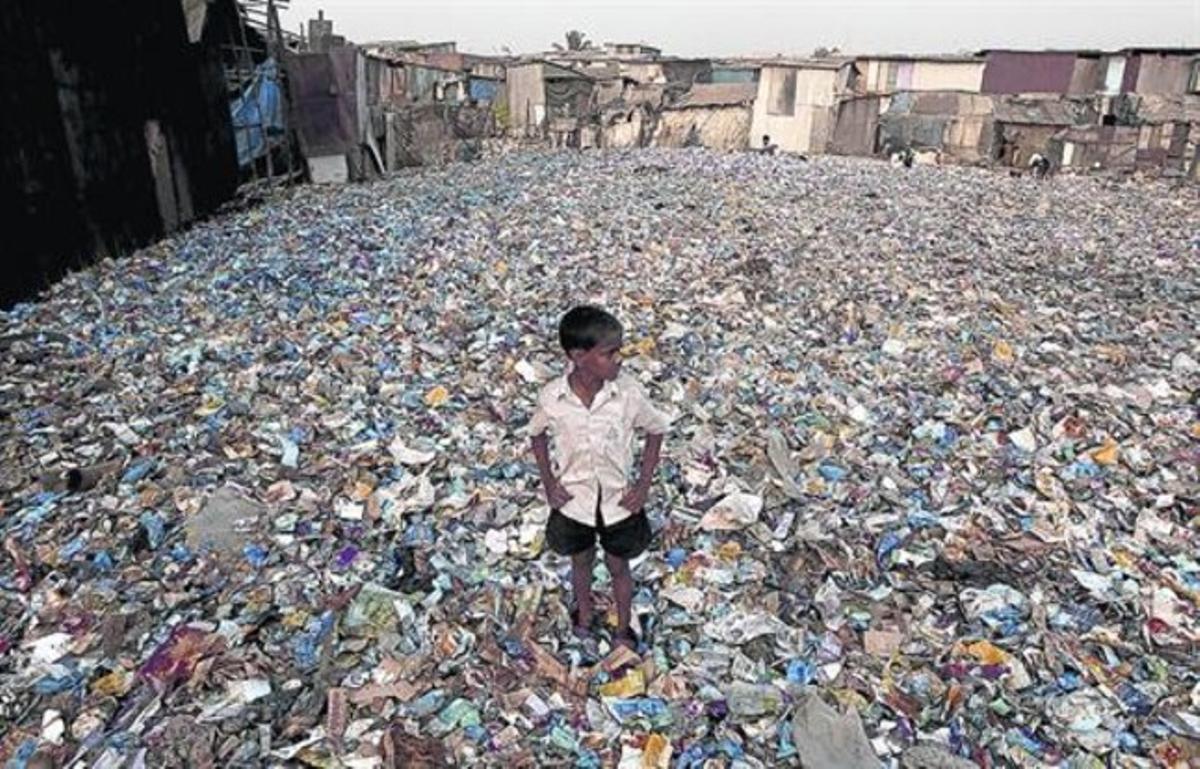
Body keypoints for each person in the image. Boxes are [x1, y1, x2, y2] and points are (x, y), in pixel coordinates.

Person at [528, 305, 670, 650]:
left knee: (619, 566)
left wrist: (642, 487)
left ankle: (623, 628)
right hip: (574, 503)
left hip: (618, 503)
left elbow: (656, 431)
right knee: (581, 563)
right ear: (578, 356)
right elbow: (536, 435)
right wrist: (549, 483)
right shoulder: (553, 397)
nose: (619, 360)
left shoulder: (628, 394)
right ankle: (585, 614)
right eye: (609, 353)